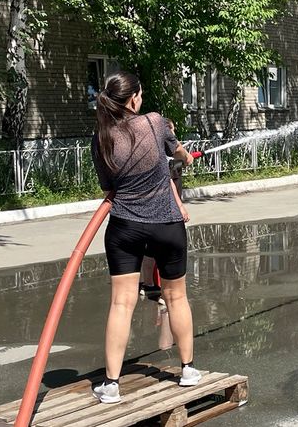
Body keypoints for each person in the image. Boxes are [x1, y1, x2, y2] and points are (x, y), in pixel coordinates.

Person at [90, 71, 198, 404]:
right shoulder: (155, 122)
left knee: (122, 303)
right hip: (167, 225)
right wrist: (185, 156)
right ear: (134, 98)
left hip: (125, 228)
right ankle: (188, 371)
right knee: (176, 297)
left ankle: (111, 385)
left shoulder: (102, 138)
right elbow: (178, 154)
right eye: (141, 93)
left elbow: (109, 189)